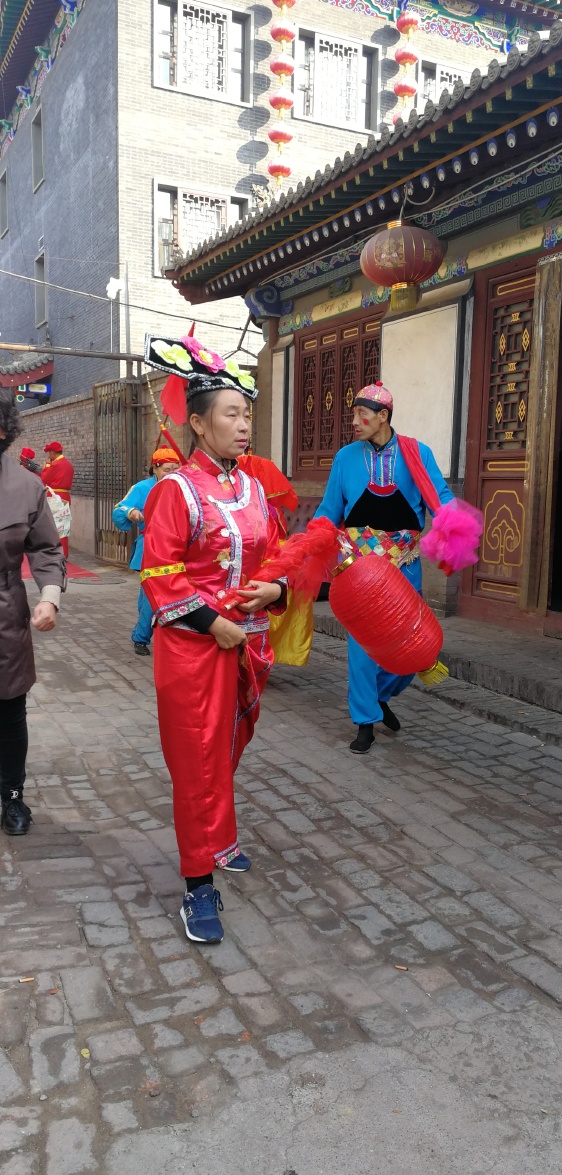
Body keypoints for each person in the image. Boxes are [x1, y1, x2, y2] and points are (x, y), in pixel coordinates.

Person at [140, 336, 286, 944]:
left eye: (247, 414)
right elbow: (160, 573)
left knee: (227, 746)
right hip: (195, 648)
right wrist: (213, 623)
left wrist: (276, 590)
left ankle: (220, 840)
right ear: (199, 424)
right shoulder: (176, 491)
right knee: (197, 763)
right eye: (231, 414)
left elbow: (278, 555)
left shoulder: (252, 489)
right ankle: (198, 884)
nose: (244, 425)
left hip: (246, 642)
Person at [315, 381, 453, 754]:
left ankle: (378, 698)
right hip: (359, 568)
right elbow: (330, 509)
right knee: (362, 649)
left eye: (362, 416)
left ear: (383, 417)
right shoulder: (345, 458)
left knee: (413, 647)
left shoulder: (417, 454)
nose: (355, 422)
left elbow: (440, 497)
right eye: (354, 415)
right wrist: (317, 536)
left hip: (405, 565)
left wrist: (452, 523)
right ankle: (364, 722)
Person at [0, 392, 66, 837]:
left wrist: (49, 596)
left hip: (4, 615)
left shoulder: (26, 486)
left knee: (9, 711)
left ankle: (11, 795)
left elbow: (45, 548)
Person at [111, 446, 181, 656]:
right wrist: (132, 512)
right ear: (155, 469)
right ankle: (141, 637)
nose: (172, 473)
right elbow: (119, 508)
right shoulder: (142, 488)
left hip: (177, 549)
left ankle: (173, 639)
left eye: (175, 469)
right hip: (150, 548)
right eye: (167, 469)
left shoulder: (182, 487)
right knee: (150, 597)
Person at [41, 441, 74, 557]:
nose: (49, 456)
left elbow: (44, 478)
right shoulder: (68, 464)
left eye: (49, 453)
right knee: (63, 527)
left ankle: (55, 553)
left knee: (52, 527)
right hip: (65, 497)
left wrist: (47, 465)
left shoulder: (55, 464)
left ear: (53, 453)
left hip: (54, 498)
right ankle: (64, 553)